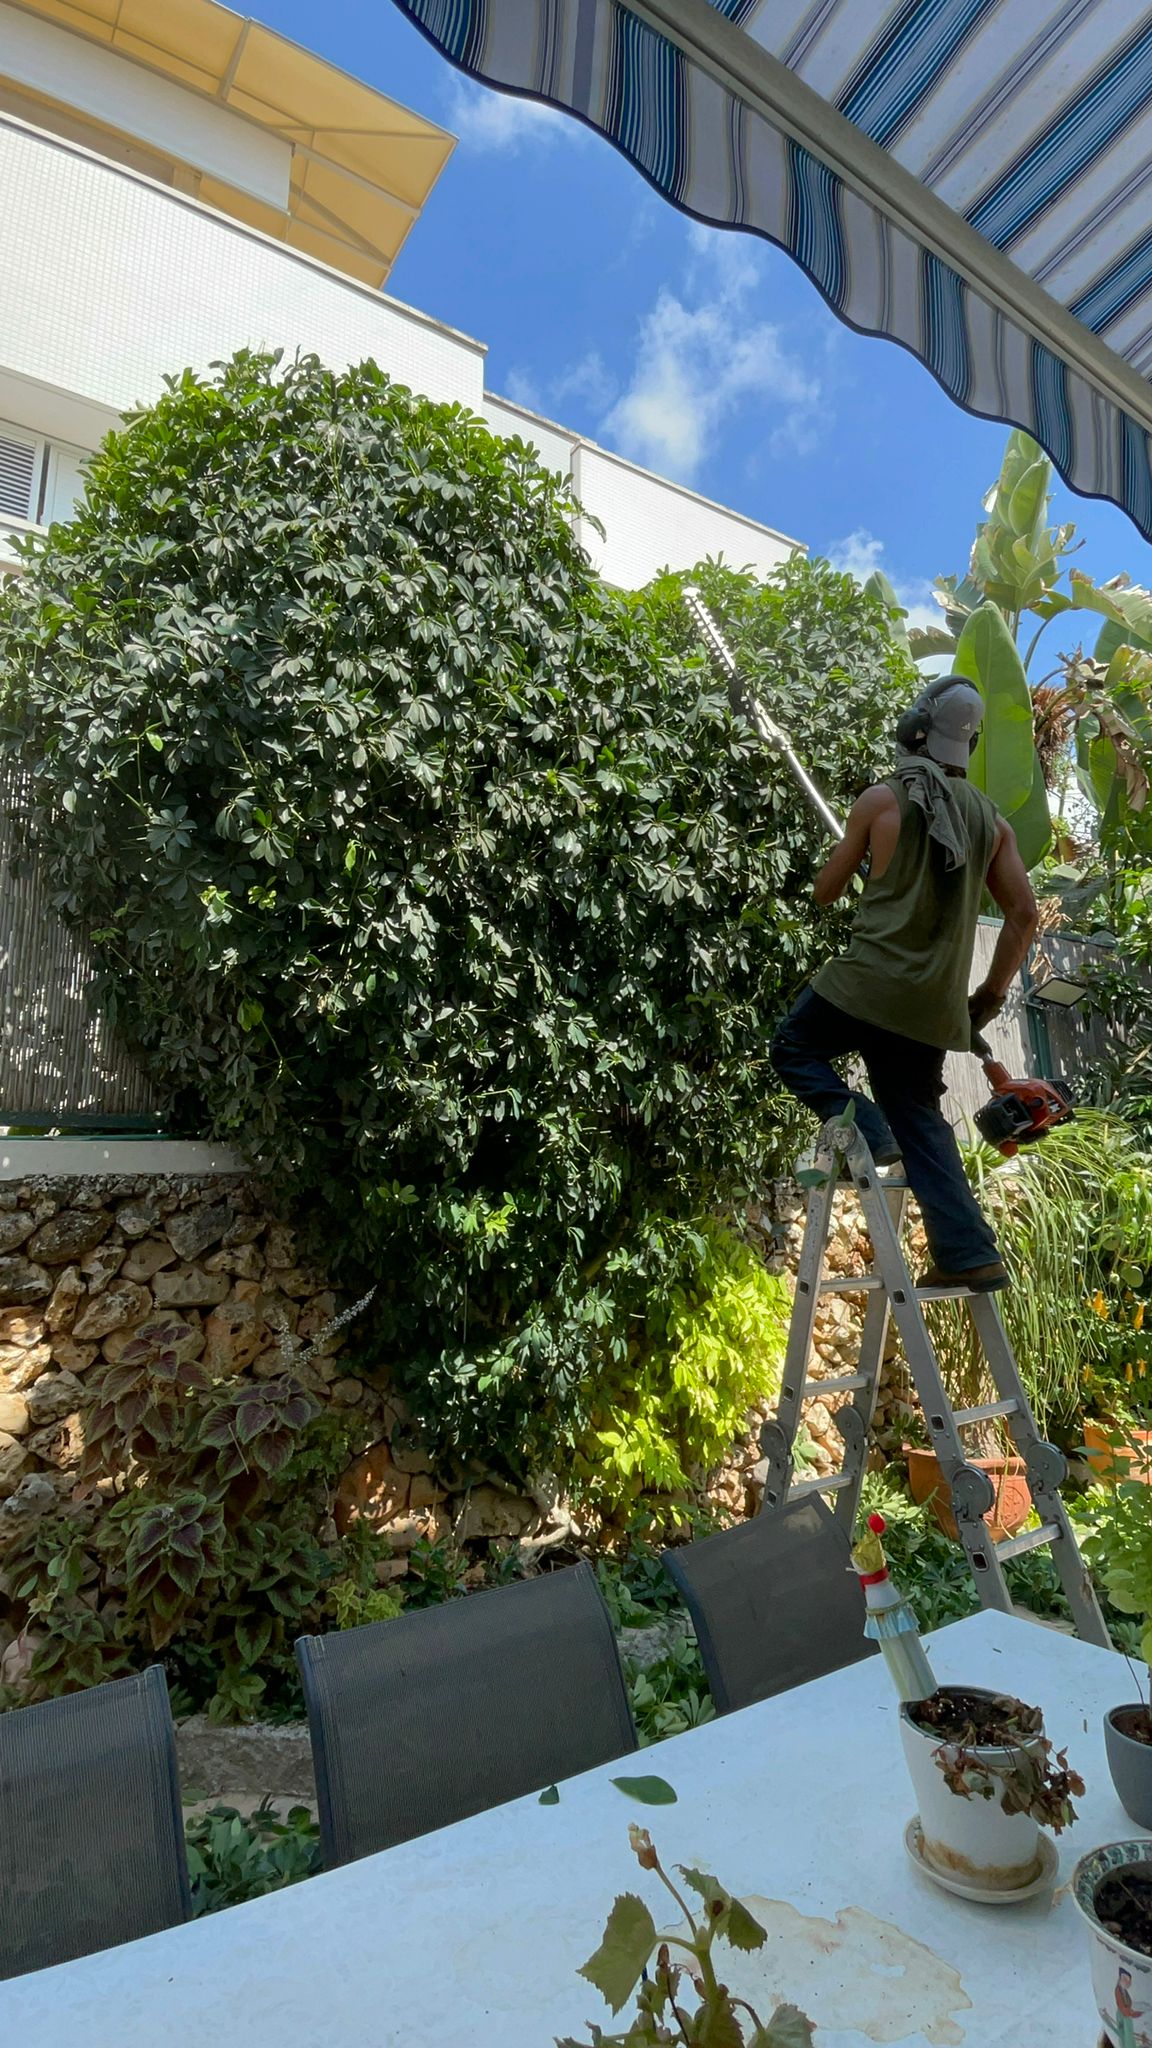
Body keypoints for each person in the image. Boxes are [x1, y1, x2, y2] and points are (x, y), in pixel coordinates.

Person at [770, 676, 1038, 1293]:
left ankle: (867, 1128)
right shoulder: (994, 824)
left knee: (793, 1047)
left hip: (865, 987)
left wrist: (865, 855)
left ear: (916, 729)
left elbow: (825, 892)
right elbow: (1024, 914)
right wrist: (988, 996)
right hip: (930, 1009)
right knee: (920, 1118)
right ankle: (970, 1253)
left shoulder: (881, 800)